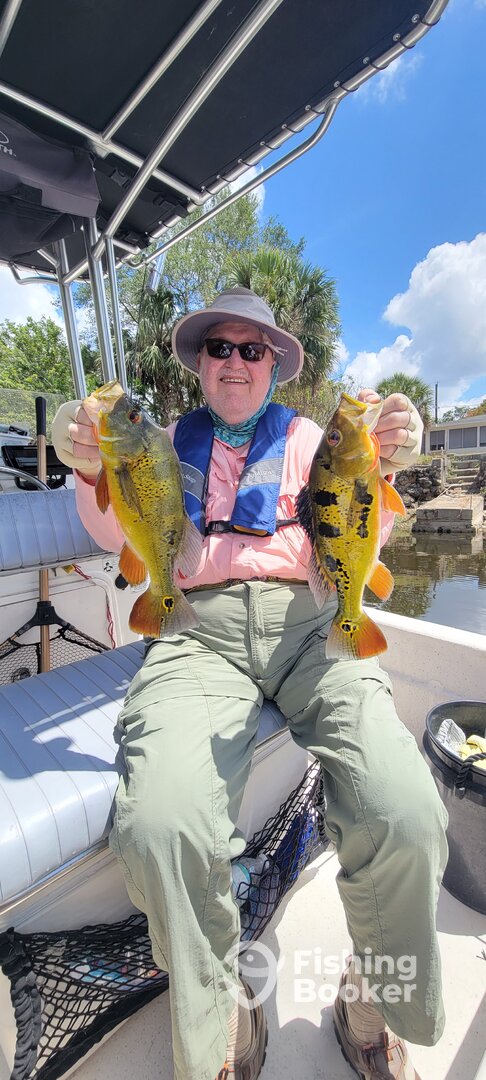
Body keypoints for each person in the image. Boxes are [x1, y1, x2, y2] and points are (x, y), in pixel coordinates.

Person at [52, 287, 448, 1080]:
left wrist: (390, 451)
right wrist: (84, 458)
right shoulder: (157, 443)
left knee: (405, 810)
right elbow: (111, 526)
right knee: (159, 823)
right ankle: (221, 1017)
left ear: (274, 364)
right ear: (200, 363)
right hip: (197, 628)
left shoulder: (316, 441)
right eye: (219, 347)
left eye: (252, 349)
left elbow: (365, 525)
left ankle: (370, 1004)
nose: (235, 362)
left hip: (313, 621)